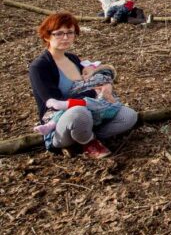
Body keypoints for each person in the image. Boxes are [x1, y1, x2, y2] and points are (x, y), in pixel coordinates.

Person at [28, 12, 138, 158]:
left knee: (128, 116)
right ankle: (87, 142)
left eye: (70, 33)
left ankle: (85, 138)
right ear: (47, 36)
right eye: (59, 33)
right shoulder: (40, 66)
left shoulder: (72, 58)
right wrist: (93, 92)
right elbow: (53, 103)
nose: (66, 38)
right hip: (60, 123)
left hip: (92, 114)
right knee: (79, 112)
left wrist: (106, 85)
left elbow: (95, 77)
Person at [34, 62, 122, 139]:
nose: (82, 76)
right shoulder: (39, 67)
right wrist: (94, 90)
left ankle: (93, 135)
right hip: (77, 111)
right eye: (82, 73)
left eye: (85, 74)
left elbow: (102, 86)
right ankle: (50, 125)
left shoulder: (98, 77)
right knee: (76, 110)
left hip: (101, 106)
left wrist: (104, 86)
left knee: (128, 116)